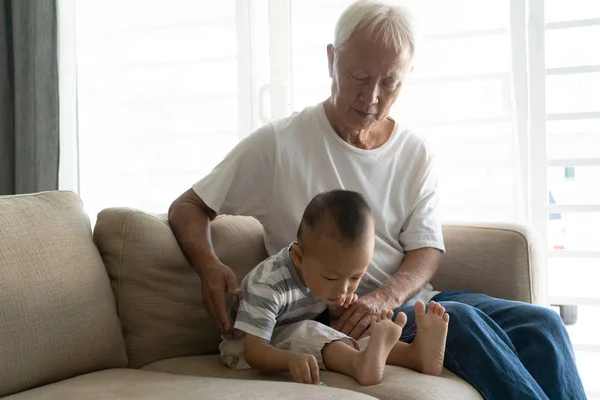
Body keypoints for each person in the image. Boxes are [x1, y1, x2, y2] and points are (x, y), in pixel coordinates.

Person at [169, 0, 586, 398]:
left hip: (407, 304)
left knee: (542, 323)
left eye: (390, 83)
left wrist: (384, 297)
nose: (372, 98)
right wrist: (208, 264)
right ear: (332, 60)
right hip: (344, 320)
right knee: (461, 323)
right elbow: (189, 206)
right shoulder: (279, 145)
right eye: (360, 77)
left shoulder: (414, 152)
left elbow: (426, 250)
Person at [220, 189, 449, 385]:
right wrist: (290, 360)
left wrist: (338, 309)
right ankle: (358, 365)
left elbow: (331, 308)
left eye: (355, 277)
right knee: (312, 333)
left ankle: (415, 355)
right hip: (248, 347)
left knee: (351, 331)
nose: (343, 289)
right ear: (299, 257)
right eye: (332, 278)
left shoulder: (323, 269)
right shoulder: (267, 285)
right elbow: (254, 351)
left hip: (298, 330)